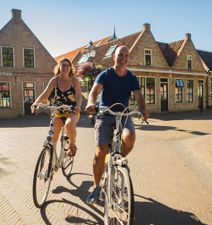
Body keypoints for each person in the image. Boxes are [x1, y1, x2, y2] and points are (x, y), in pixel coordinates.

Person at [85, 45, 149, 204]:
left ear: (128, 58)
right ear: (114, 56)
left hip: (124, 115)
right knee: (100, 153)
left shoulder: (131, 78)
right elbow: (94, 90)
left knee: (130, 137)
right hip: (105, 114)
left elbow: (139, 96)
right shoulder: (105, 74)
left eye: (126, 55)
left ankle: (117, 159)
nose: (123, 58)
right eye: (120, 55)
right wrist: (91, 103)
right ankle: (96, 187)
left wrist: (143, 110)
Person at [31, 58, 82, 157]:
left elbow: (79, 96)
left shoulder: (74, 81)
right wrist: (35, 103)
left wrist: (78, 106)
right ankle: (52, 162)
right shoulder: (55, 80)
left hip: (72, 111)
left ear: (70, 67)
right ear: (59, 67)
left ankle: (72, 146)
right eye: (63, 65)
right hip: (58, 111)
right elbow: (45, 94)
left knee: (69, 124)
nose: (65, 67)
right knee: (53, 139)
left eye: (67, 65)